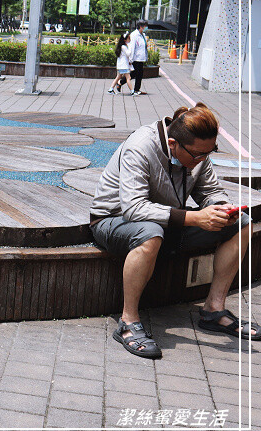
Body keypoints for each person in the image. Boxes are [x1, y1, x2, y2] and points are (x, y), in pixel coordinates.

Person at [90, 103, 258, 359]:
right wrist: (194, 218)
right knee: (149, 232)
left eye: (209, 152)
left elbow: (210, 192)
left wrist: (222, 209)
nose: (203, 160)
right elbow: (133, 208)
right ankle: (128, 321)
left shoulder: (197, 152)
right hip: (113, 220)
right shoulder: (140, 146)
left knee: (242, 223)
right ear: (172, 144)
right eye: (198, 155)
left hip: (166, 223)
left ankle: (214, 310)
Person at [127, 19, 149, 95]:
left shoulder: (142, 35)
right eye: (145, 26)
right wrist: (131, 59)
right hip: (136, 58)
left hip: (141, 58)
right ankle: (120, 82)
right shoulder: (134, 35)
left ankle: (137, 89)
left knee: (139, 74)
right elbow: (132, 47)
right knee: (134, 74)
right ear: (141, 26)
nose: (146, 27)